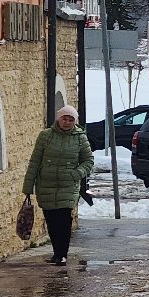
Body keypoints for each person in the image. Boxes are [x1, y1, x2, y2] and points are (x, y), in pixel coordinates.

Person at [24, 105, 94, 266]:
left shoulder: (80, 138)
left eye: (71, 120)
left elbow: (88, 161)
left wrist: (75, 174)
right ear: (58, 118)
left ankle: (63, 254)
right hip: (46, 184)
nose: (67, 122)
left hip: (68, 185)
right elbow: (35, 162)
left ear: (75, 122)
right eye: (64, 118)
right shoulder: (45, 136)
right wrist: (28, 187)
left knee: (64, 219)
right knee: (52, 220)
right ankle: (56, 253)